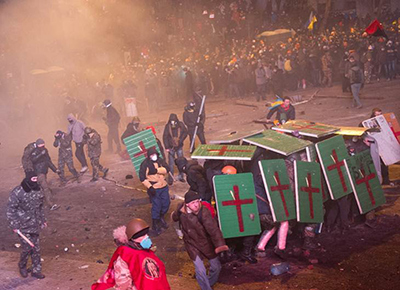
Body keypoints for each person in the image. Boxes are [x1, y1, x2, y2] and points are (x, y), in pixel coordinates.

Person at [172, 190, 229, 290]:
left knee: (216, 267)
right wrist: (179, 232)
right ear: (187, 204)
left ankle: (210, 282)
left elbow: (214, 230)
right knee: (200, 270)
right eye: (193, 203)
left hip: (205, 243)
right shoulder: (181, 211)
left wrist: (220, 245)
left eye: (197, 201)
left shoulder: (204, 212)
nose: (196, 205)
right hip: (191, 244)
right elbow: (174, 218)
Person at [92, 218, 170, 290]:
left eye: (146, 234)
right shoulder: (125, 256)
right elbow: (123, 283)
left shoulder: (143, 250)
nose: (146, 237)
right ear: (133, 238)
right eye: (142, 235)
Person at [6, 171, 47, 279]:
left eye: (36, 179)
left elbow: (40, 207)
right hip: (23, 226)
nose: (35, 181)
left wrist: (43, 220)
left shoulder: (38, 190)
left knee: (36, 248)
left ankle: (36, 270)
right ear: (28, 179)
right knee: (27, 247)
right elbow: (11, 209)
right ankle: (22, 265)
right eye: (33, 179)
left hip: (35, 225)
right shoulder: (18, 192)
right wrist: (14, 225)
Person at [139, 147, 170, 236]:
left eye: (155, 155)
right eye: (152, 155)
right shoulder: (145, 164)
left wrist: (157, 170)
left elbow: (167, 169)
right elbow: (142, 177)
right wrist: (149, 187)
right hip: (154, 188)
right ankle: (155, 224)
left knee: (166, 203)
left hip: (163, 186)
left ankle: (161, 217)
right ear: (149, 156)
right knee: (157, 205)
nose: (154, 157)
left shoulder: (160, 161)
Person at [30, 138, 60, 210]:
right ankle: (51, 205)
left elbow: (48, 161)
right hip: (38, 173)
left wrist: (55, 170)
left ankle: (38, 204)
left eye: (43, 145)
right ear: (37, 145)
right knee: (45, 188)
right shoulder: (34, 152)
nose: (42, 146)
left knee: (40, 188)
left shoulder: (45, 151)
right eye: (41, 145)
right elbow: (33, 160)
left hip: (43, 172)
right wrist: (40, 154)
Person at [163, 113, 188, 182]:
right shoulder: (167, 127)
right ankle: (170, 178)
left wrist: (180, 140)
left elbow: (185, 132)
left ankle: (181, 176)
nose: (172, 122)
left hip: (179, 147)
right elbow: (165, 137)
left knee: (181, 162)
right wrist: (167, 147)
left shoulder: (180, 125)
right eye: (171, 120)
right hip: (171, 148)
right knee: (171, 163)